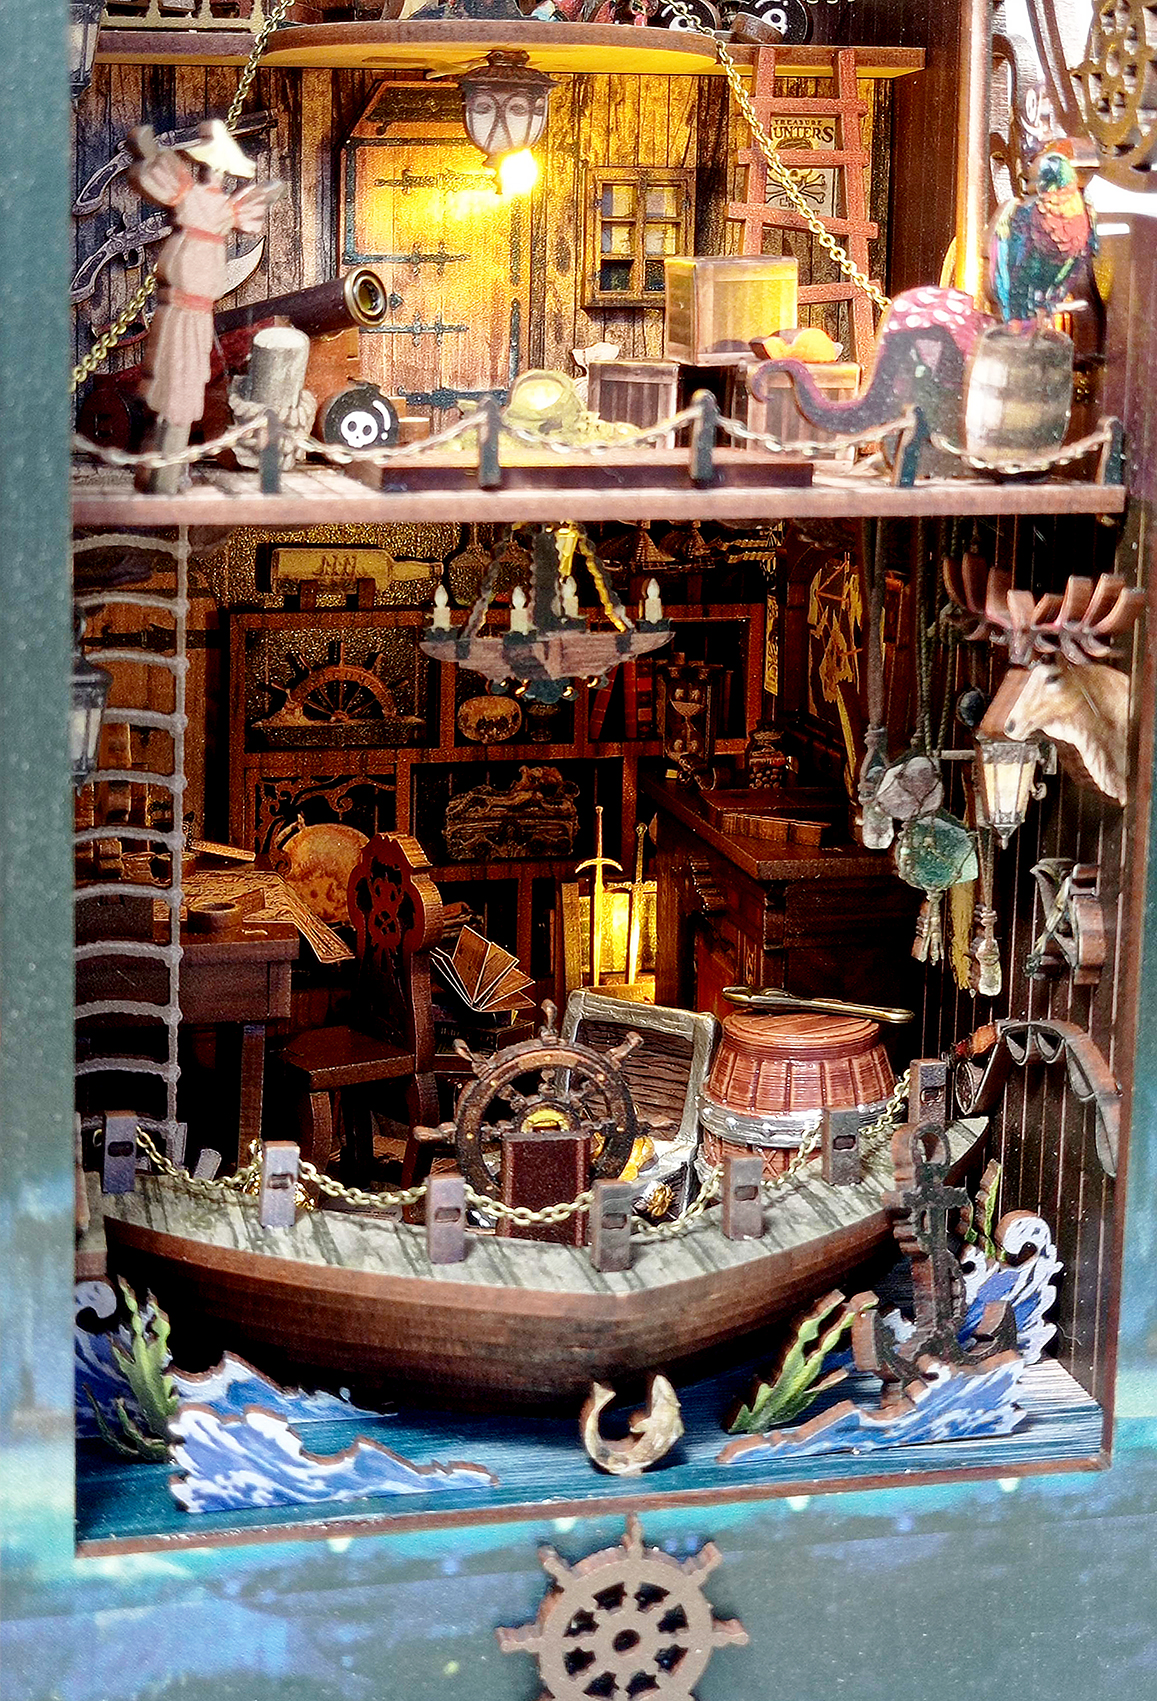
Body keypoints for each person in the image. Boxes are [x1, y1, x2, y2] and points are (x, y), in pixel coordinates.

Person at [128, 118, 282, 492]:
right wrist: (148, 151)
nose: (213, 172)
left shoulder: (216, 206)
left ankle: (168, 468)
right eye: (212, 166)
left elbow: (254, 201)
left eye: (216, 166)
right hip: (180, 311)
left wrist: (150, 151)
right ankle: (162, 469)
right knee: (173, 388)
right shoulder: (195, 198)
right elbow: (159, 171)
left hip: (196, 312)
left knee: (182, 389)